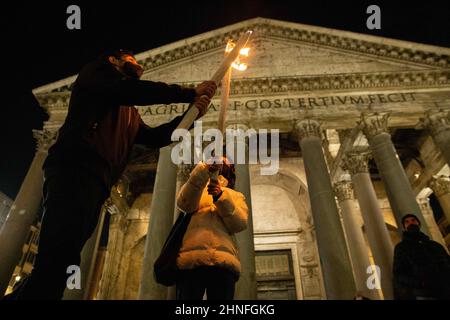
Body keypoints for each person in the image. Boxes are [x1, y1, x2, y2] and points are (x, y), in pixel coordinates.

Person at [12, 49, 216, 300]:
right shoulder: (97, 74)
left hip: (97, 181)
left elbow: (155, 138)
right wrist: (188, 93)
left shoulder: (129, 111)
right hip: (76, 168)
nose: (139, 65)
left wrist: (192, 115)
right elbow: (128, 90)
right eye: (132, 60)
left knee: (61, 262)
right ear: (114, 60)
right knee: (56, 257)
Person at [175, 156, 248, 300]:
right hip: (192, 260)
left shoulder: (235, 196)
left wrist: (221, 196)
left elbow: (239, 223)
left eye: (224, 161)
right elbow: (184, 204)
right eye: (216, 159)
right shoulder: (197, 188)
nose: (220, 162)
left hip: (222, 261)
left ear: (231, 170)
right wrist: (203, 169)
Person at [393, 213, 450, 300]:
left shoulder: (434, 245)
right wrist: (420, 283)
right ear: (404, 227)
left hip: (445, 290)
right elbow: (398, 273)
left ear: (418, 223)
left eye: (413, 220)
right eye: (407, 222)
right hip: (423, 293)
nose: (411, 223)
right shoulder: (401, 247)